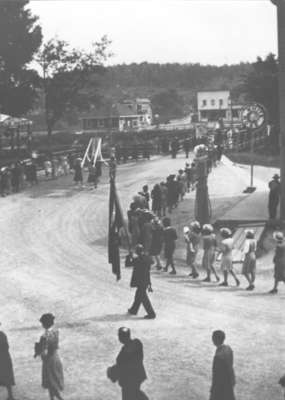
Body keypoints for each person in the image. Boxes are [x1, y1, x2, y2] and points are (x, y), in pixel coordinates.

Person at [107, 327, 148, 400]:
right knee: (135, 392)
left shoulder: (123, 354)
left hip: (128, 380)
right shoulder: (137, 343)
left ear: (120, 338)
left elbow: (121, 366)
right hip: (138, 375)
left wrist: (111, 371)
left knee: (129, 396)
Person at [35, 313, 64, 400]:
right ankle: (52, 398)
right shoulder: (55, 331)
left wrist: (38, 352)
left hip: (48, 359)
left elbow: (42, 349)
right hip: (55, 356)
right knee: (53, 379)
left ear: (44, 324)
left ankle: (58, 397)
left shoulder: (44, 336)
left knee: (50, 381)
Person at [128, 244, 156, 319]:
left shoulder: (137, 259)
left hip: (140, 281)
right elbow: (152, 262)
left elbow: (128, 264)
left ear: (137, 251)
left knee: (143, 298)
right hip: (146, 280)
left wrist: (129, 256)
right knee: (138, 295)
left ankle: (151, 314)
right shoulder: (146, 258)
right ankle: (133, 310)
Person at [210, 330, 236, 400]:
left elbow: (216, 376)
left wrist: (213, 390)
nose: (212, 339)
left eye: (213, 338)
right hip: (229, 382)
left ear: (215, 339)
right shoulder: (228, 348)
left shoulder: (218, 357)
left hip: (221, 387)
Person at [0, 325, 15, 400]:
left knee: (6, 378)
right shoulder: (3, 334)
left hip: (3, 358)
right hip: (5, 358)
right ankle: (10, 396)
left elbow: (5, 347)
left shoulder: (2, 335)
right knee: (7, 378)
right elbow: (7, 347)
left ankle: (11, 396)